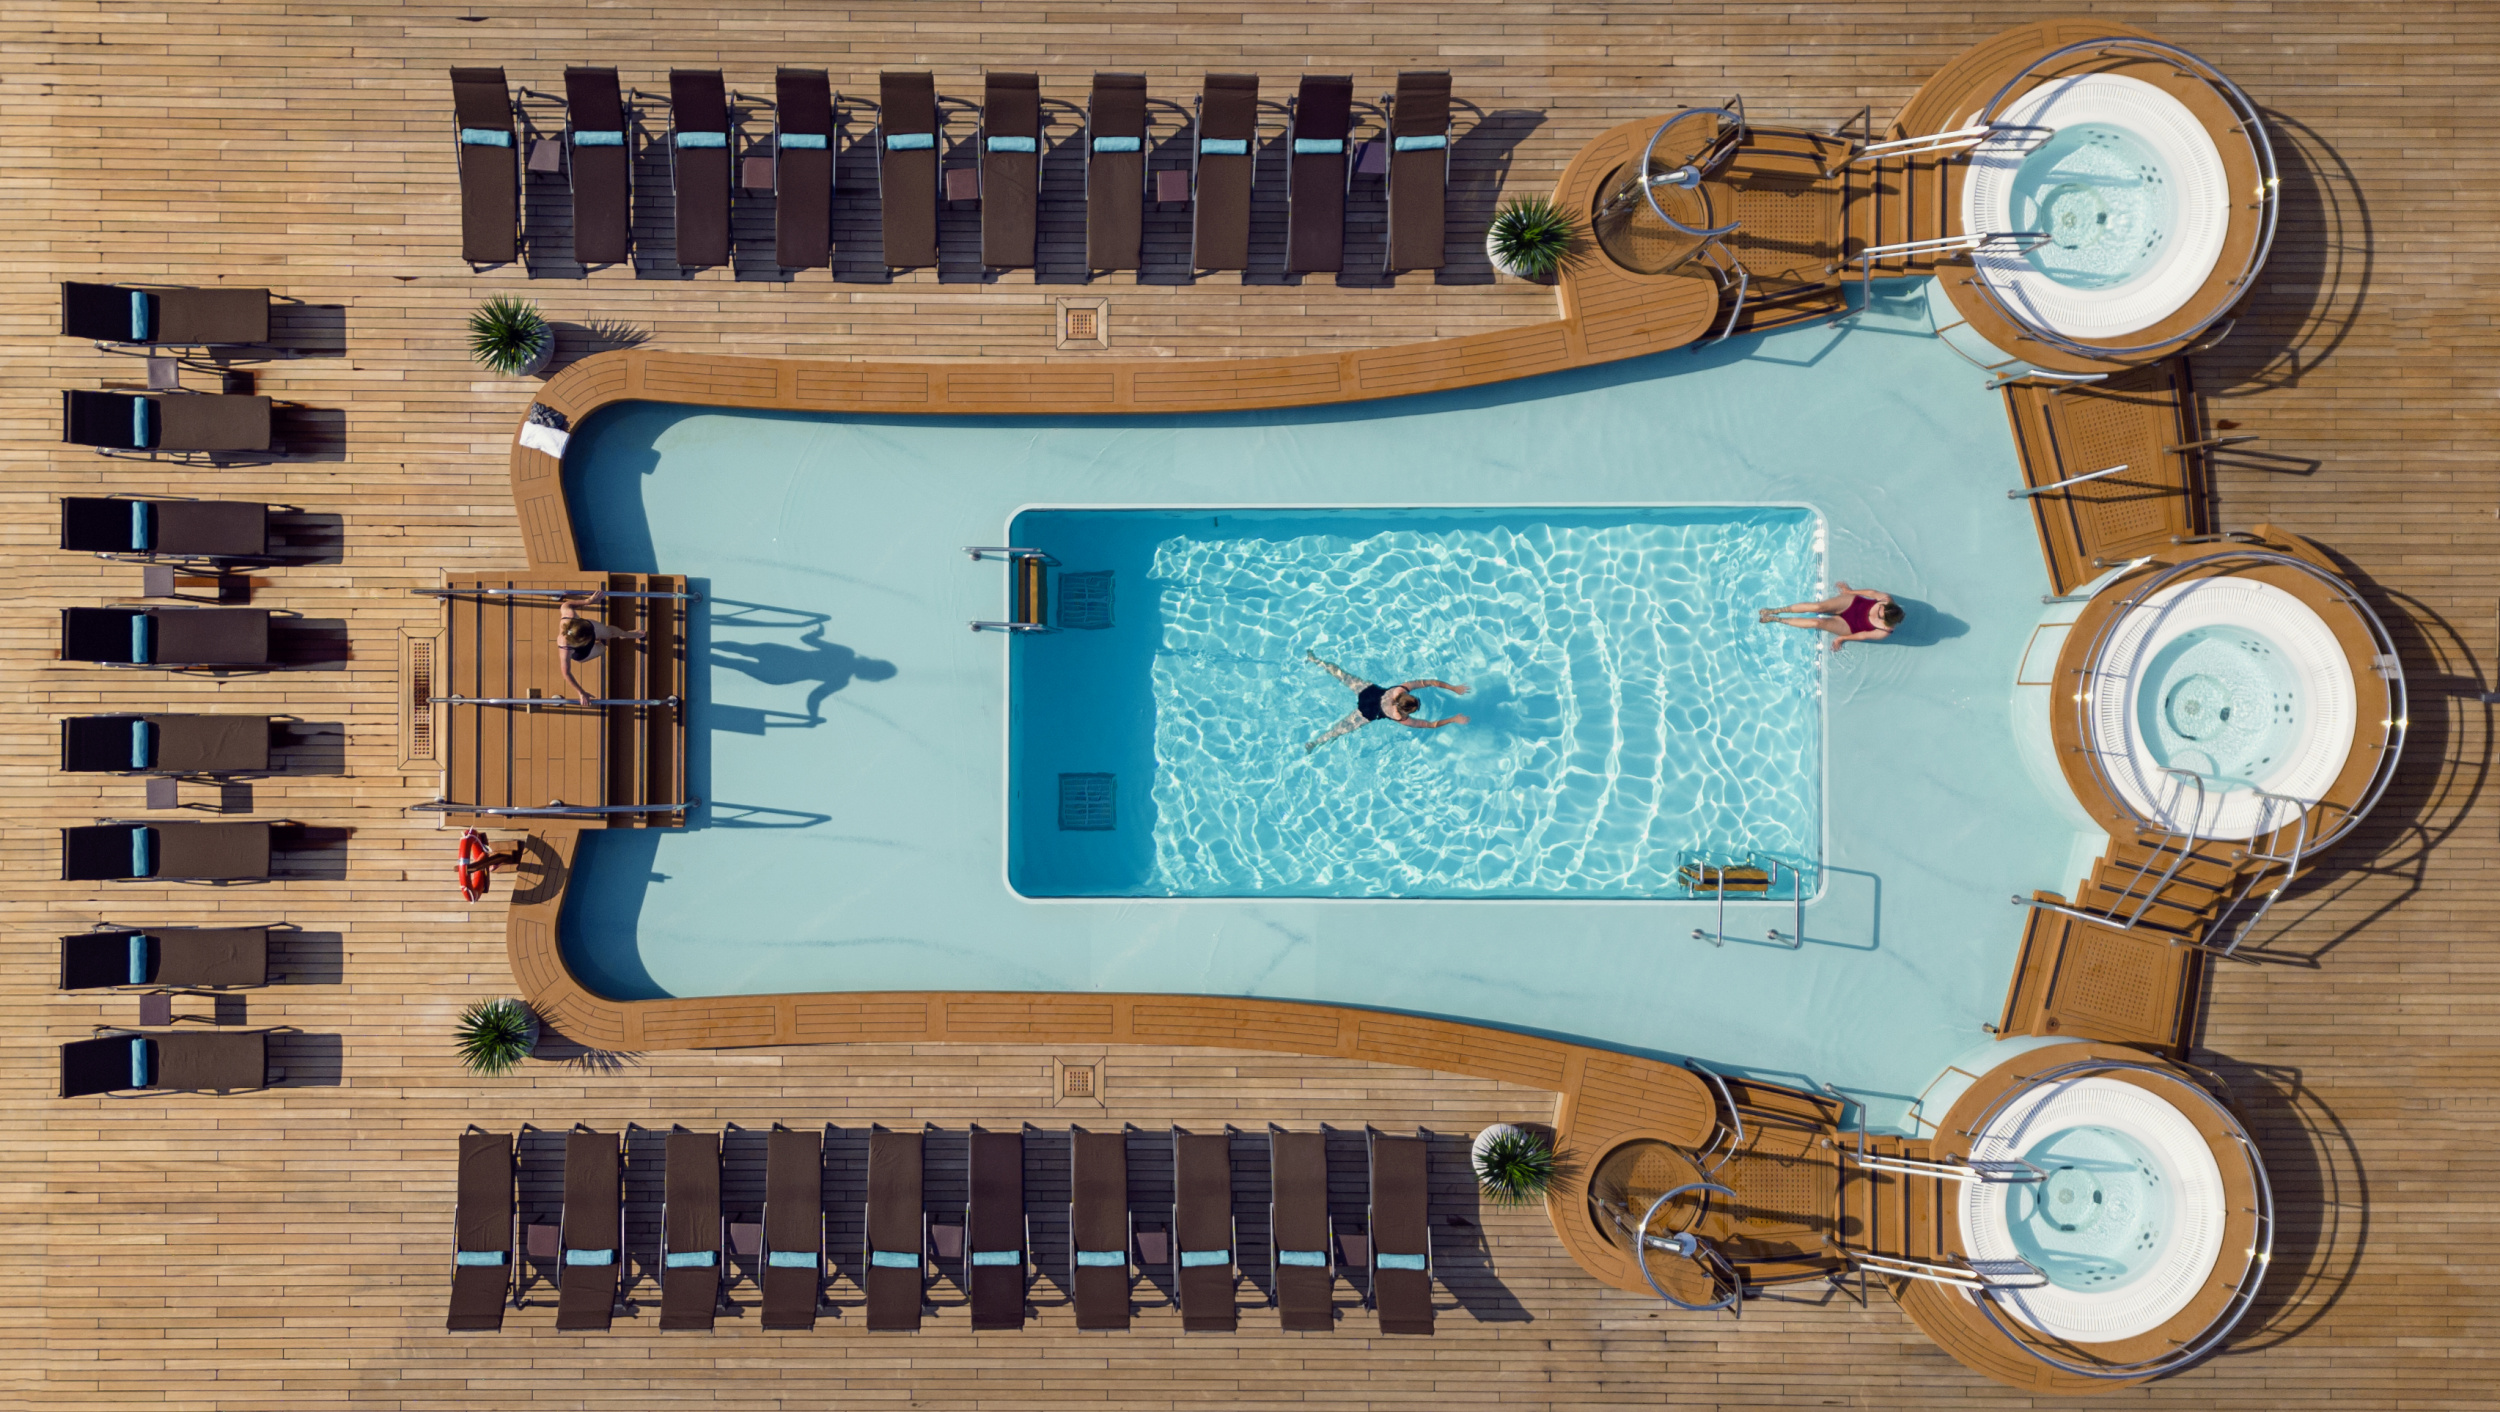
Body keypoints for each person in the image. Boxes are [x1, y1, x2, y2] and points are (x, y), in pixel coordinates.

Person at [1303, 651, 1469, 753]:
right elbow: (1430, 724)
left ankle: (1314, 660)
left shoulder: (1400, 690)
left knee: (1342, 675)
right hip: (1368, 714)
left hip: (1368, 692)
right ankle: (1314, 744)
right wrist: (1453, 718)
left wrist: (1453, 688)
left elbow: (1430, 682)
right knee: (1338, 730)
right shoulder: (1401, 717)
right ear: (1406, 711)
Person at [556, 591, 647, 704]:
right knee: (602, 648)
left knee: (609, 632)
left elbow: (566, 605)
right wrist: (581, 692)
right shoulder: (565, 648)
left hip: (588, 629)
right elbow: (566, 673)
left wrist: (588, 601)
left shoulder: (569, 616)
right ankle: (600, 643)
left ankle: (626, 634)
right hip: (583, 652)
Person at [1759, 581, 1903, 652]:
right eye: (1880, 608)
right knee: (1817, 607)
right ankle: (1776, 610)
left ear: (1886, 621)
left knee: (1817, 623)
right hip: (1852, 604)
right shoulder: (1886, 599)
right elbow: (1871, 593)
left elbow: (1863, 635)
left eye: (1880, 615)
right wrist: (1849, 592)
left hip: (1850, 625)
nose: (1877, 611)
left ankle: (1777, 619)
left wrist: (1842, 638)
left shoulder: (1884, 631)